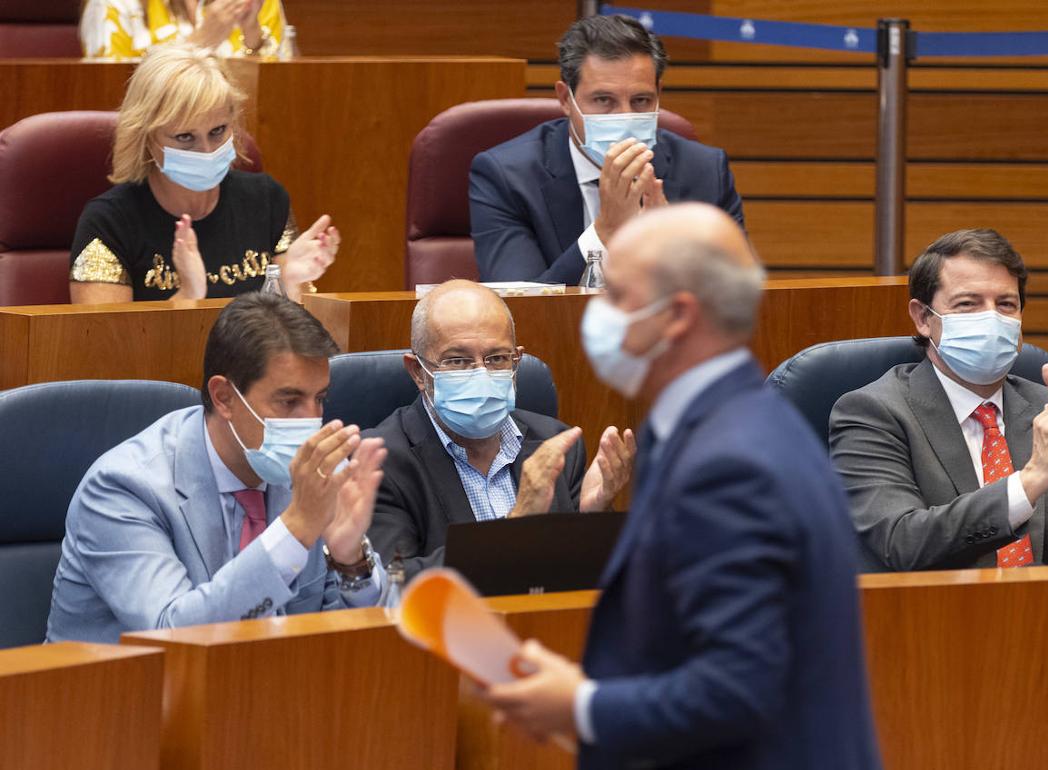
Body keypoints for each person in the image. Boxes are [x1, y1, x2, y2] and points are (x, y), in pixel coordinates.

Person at [481, 204, 881, 770]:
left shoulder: (729, 464)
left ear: (677, 317)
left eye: (617, 296)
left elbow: (737, 689)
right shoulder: (736, 424)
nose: (598, 314)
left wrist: (581, 705)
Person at [46, 293, 387, 643]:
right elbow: (172, 634)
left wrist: (350, 562)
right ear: (224, 397)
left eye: (320, 399)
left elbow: (349, 637)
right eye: (289, 401)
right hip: (119, 692)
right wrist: (295, 528)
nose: (311, 422)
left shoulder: (310, 476)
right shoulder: (123, 487)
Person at [829, 228, 1048, 572]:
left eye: (1006, 304)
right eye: (968, 304)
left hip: (1044, 614)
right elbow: (901, 544)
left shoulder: (1044, 406)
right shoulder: (873, 412)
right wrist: (1031, 480)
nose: (991, 318)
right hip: (932, 617)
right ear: (923, 318)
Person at [365, 279, 635, 579]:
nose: (482, 373)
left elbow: (584, 580)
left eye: (496, 358)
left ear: (516, 359)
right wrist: (516, 525)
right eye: (458, 360)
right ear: (418, 371)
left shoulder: (555, 444)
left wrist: (592, 517)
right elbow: (393, 583)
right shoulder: (378, 462)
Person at [469, 14, 745, 285]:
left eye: (641, 100)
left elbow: (736, 302)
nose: (624, 117)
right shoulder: (506, 177)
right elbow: (522, 307)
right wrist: (605, 230)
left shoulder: (706, 171)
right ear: (565, 99)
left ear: (658, 94)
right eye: (603, 100)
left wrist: (674, 249)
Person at [69, 43, 336, 304]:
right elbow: (105, 343)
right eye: (185, 137)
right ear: (147, 138)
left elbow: (290, 339)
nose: (207, 150)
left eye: (218, 131)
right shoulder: (109, 223)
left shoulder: (266, 199)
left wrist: (289, 284)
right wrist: (188, 295)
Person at [80, 0, 293, 60]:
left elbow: (285, 94)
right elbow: (110, 100)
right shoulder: (114, 5)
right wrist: (199, 43)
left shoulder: (258, 3)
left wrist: (253, 39)